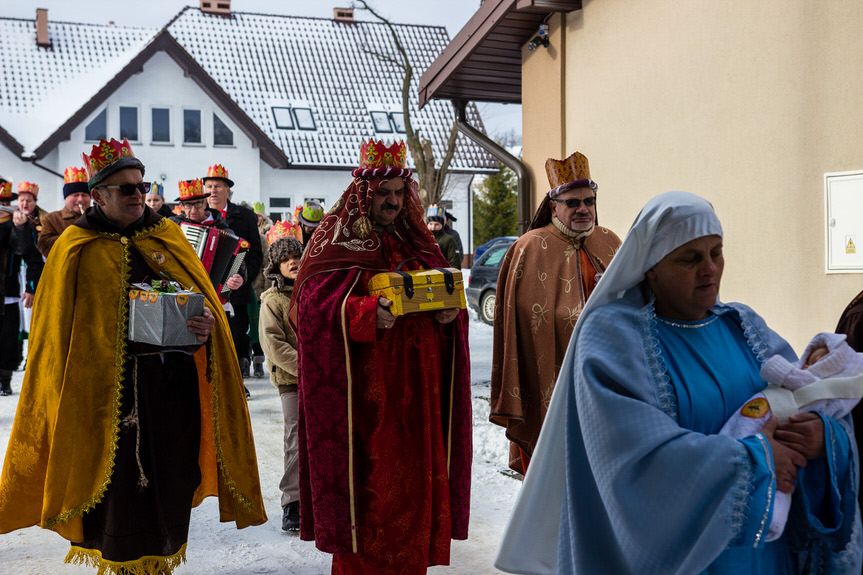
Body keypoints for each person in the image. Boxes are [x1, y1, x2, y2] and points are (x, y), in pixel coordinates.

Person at [495, 191, 861, 575]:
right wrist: (756, 463)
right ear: (650, 266)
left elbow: (809, 395)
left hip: (761, 559)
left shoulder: (744, 327)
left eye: (716, 253)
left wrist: (824, 437)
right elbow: (635, 463)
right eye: (690, 258)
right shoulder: (613, 340)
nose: (710, 269)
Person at [0, 138, 266, 575]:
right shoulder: (74, 247)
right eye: (126, 189)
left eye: (141, 186)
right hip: (101, 403)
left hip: (170, 395)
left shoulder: (167, 238)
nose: (138, 195)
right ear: (99, 194)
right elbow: (54, 338)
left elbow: (206, 311)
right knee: (118, 499)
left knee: (168, 489)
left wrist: (206, 326)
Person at [292, 139, 472, 574]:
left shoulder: (421, 242)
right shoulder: (331, 243)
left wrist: (452, 315)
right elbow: (310, 311)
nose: (392, 201)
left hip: (420, 400)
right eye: (382, 193)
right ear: (363, 195)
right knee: (369, 498)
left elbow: (447, 295)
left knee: (414, 492)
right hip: (365, 408)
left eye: (398, 192)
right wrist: (363, 315)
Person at [489, 151, 621, 474]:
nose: (583, 209)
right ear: (554, 206)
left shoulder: (609, 241)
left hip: (606, 382)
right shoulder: (529, 248)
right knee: (555, 478)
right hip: (553, 383)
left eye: (589, 201)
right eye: (573, 202)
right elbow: (522, 328)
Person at [718, 332, 863, 542]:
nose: (807, 367)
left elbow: (846, 420)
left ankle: (771, 522)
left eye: (818, 362)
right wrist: (757, 455)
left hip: (775, 549)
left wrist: (828, 437)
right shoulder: (651, 363)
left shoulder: (748, 327)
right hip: (712, 508)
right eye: (810, 360)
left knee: (780, 492)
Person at [259, 226, 304, 532]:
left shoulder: (313, 291)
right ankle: (292, 502)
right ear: (276, 266)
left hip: (323, 378)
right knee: (296, 439)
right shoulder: (271, 301)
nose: (293, 263)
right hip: (292, 380)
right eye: (286, 259)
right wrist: (308, 367)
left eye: (297, 256)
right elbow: (274, 345)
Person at [204, 164, 263, 378]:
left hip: (237, 290)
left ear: (228, 190)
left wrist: (244, 278)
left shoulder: (245, 216)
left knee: (237, 337)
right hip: (206, 290)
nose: (213, 190)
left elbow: (255, 252)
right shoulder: (201, 216)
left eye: (218, 186)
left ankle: (238, 378)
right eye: (209, 185)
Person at [0, 180, 42, 396]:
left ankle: (4, 380)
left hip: (8, 293)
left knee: (7, 339)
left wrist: (31, 287)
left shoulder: (15, 224)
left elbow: (30, 255)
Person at [38, 166, 91, 258]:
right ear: (66, 198)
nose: (80, 199)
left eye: (84, 195)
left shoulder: (97, 216)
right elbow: (44, 246)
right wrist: (73, 235)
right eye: (76, 195)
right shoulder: (51, 219)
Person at [427, 204, 460, 268]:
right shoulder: (422, 239)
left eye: (436, 224)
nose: (433, 227)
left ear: (442, 225)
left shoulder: (449, 240)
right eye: (430, 224)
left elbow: (455, 264)